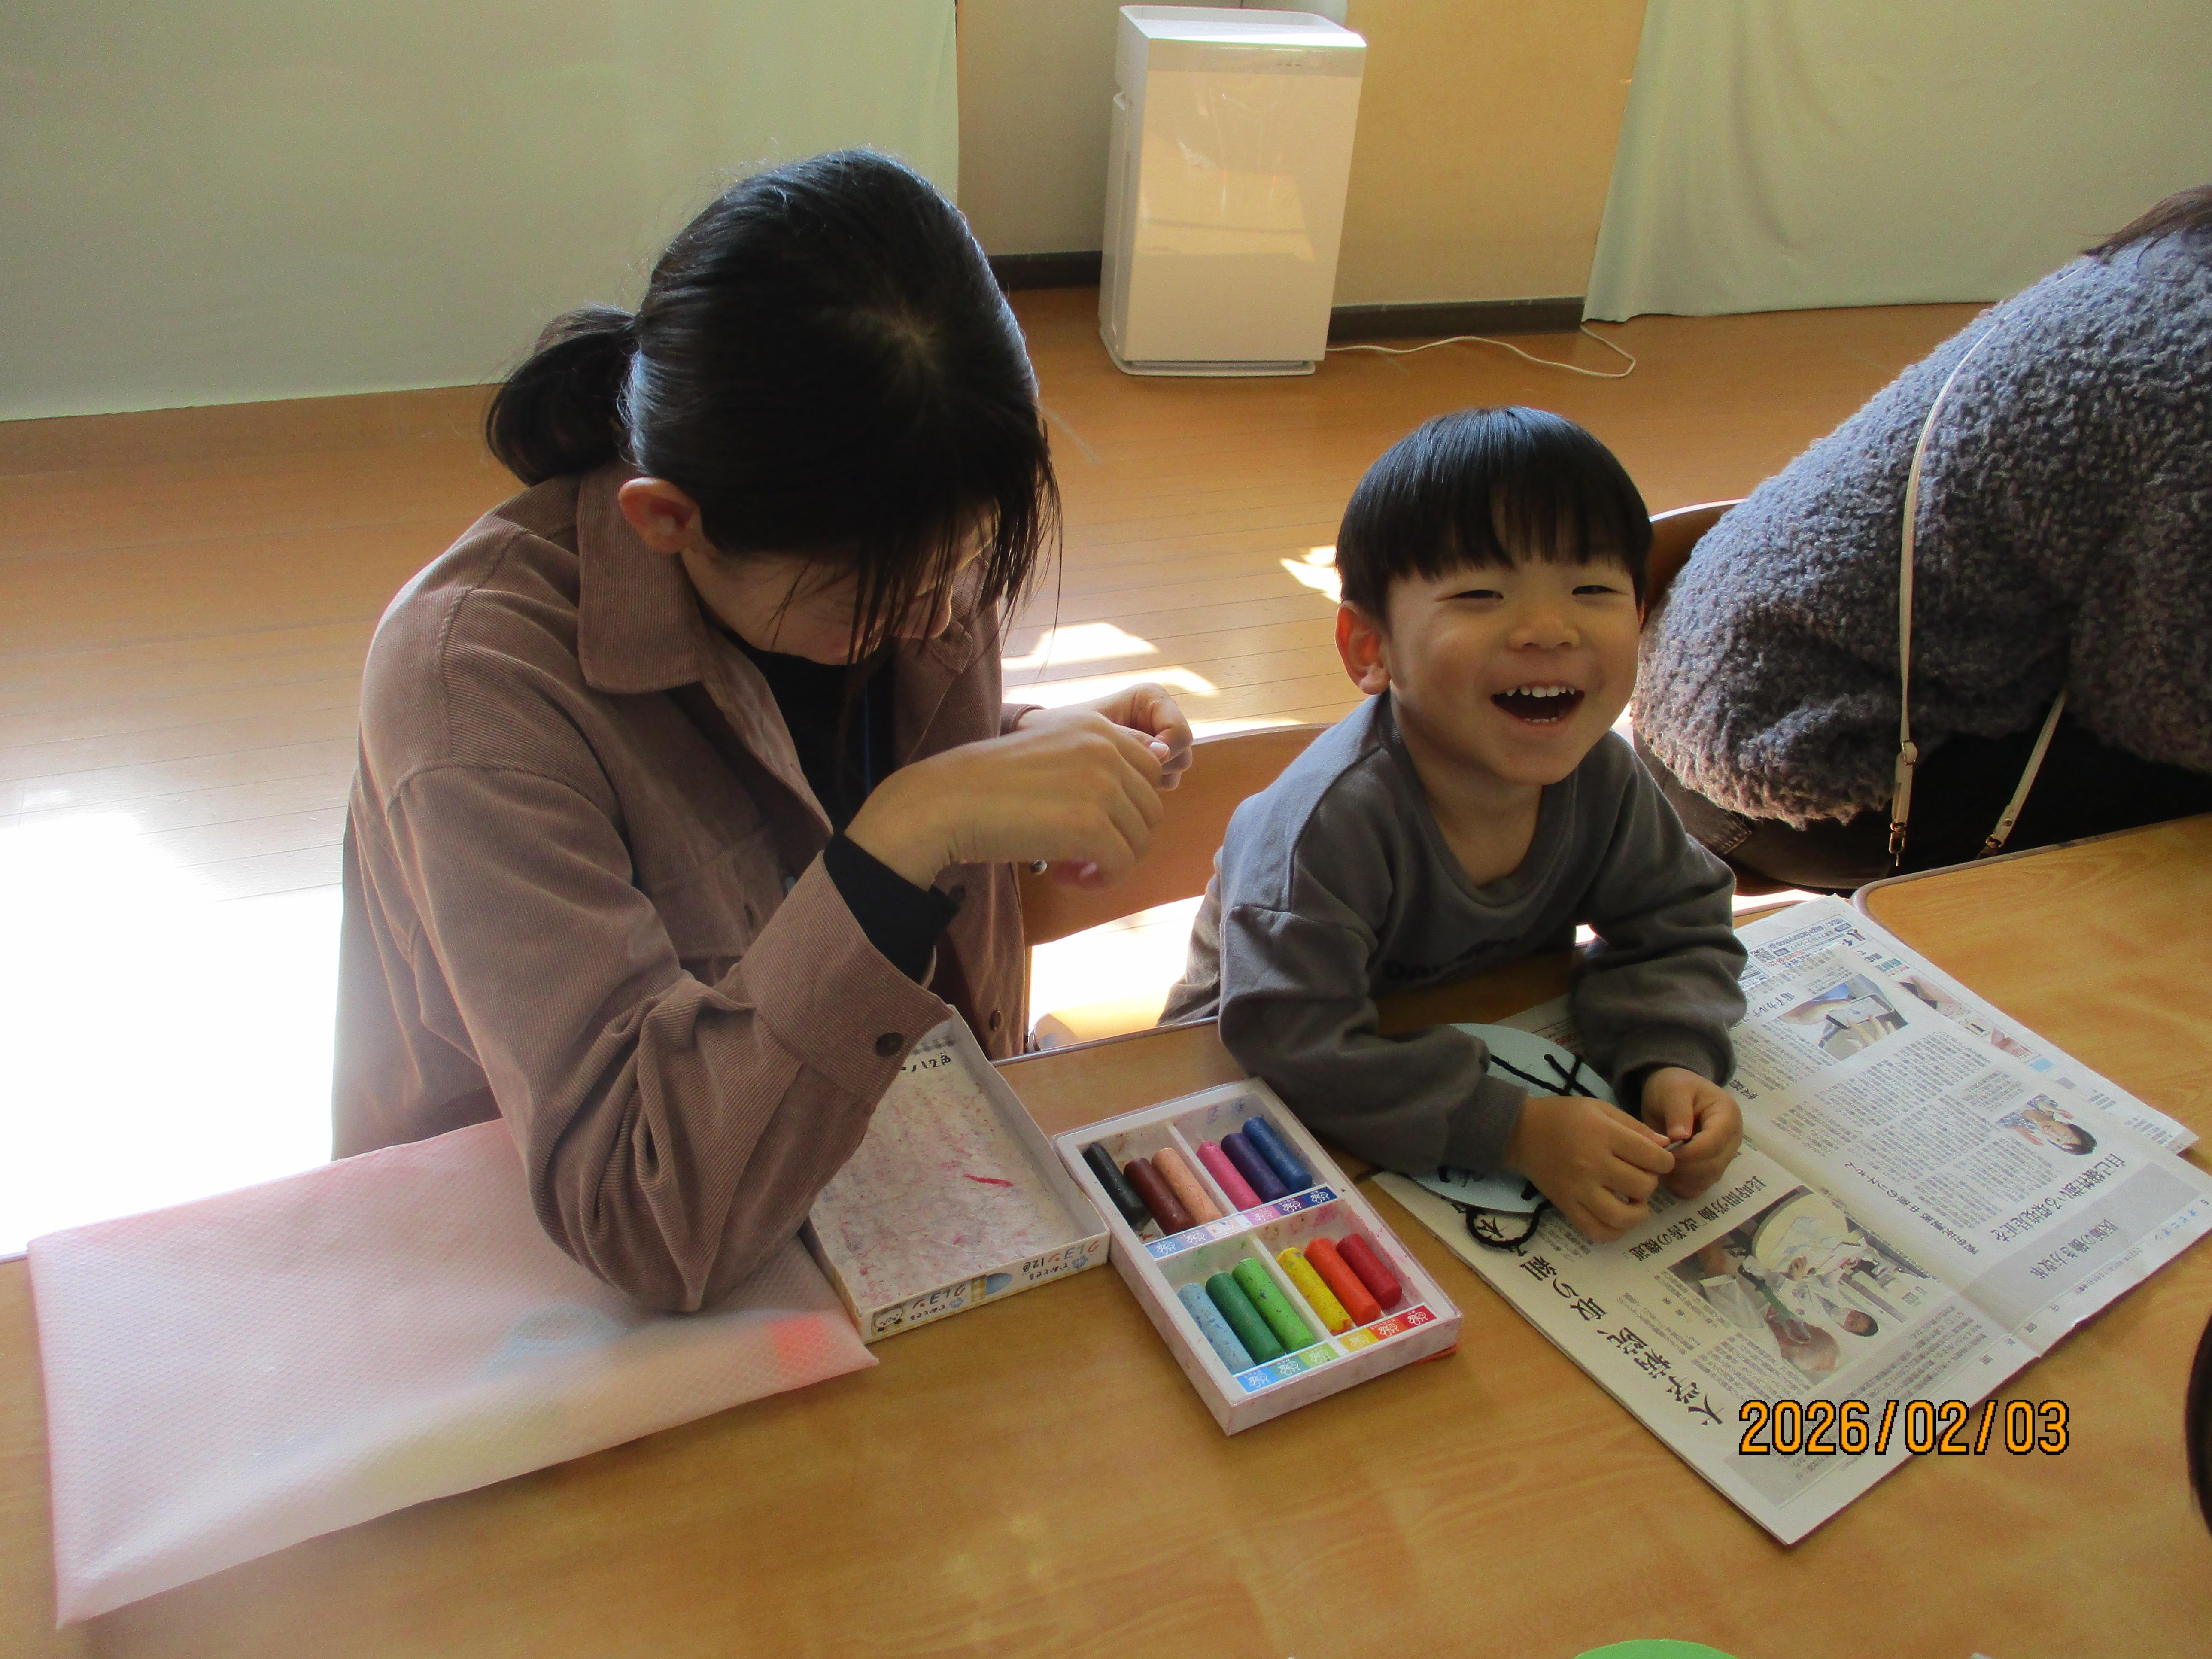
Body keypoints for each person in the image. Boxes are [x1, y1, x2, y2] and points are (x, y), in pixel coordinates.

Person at [334, 152, 1192, 1312]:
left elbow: (818, 773)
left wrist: (1028, 760)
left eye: (962, 567)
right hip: (556, 1296)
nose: (939, 616)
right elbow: (640, 1205)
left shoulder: (893, 515)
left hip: (894, 1177)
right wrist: (919, 825)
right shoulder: (470, 691)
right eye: (887, 595)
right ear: (667, 520)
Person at [1162, 407, 1747, 1243]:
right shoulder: (1327, 829)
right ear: (1370, 648)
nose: (1548, 629)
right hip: (1245, 1109)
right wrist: (1514, 1131)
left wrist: (1670, 1055)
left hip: (1461, 1062)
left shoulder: (1601, 778)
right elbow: (1290, 1042)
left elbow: (1678, 921)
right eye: (1480, 595)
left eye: (1591, 590)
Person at [1635, 184, 2212, 892]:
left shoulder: (2173, 257)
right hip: (1811, 773)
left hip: (1700, 698)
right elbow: (2165, 702)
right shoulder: (2198, 363)